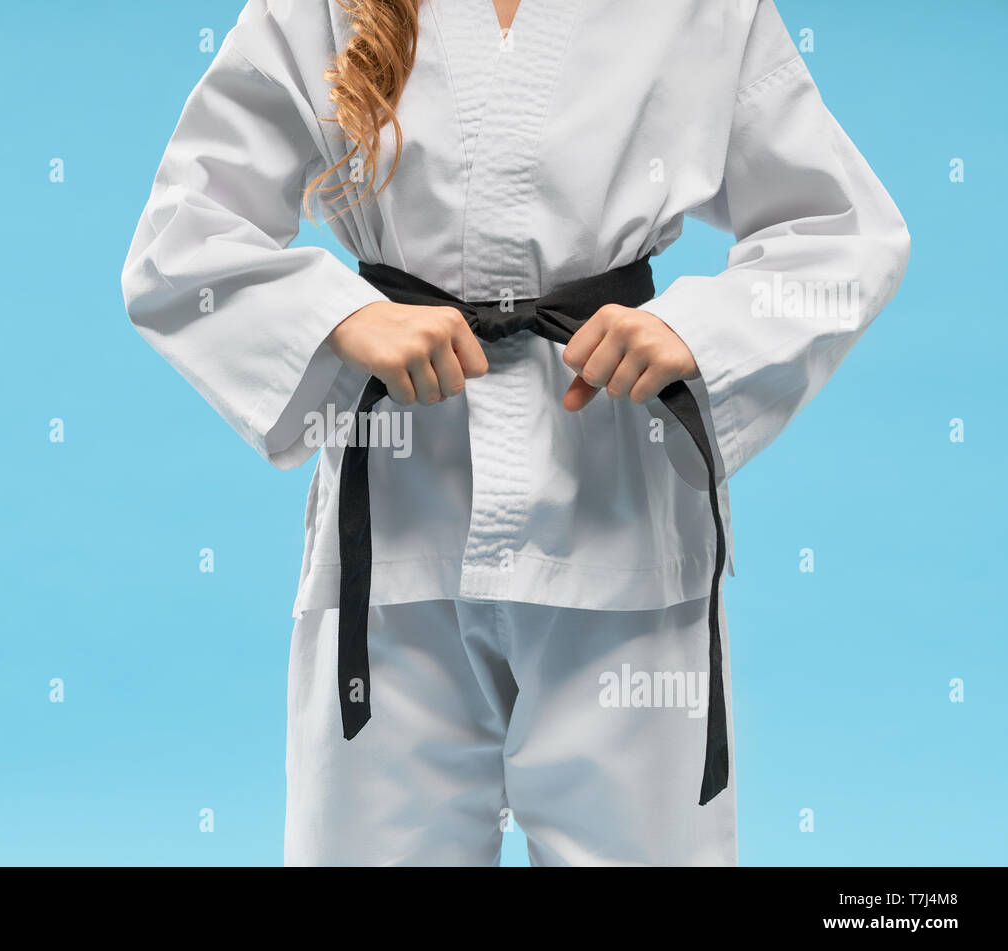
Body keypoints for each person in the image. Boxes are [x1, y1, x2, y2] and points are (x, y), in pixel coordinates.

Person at [120, 0, 910, 866]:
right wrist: (343, 317)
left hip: (616, 528)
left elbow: (842, 232)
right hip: (396, 539)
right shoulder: (319, 7)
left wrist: (702, 331)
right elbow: (182, 237)